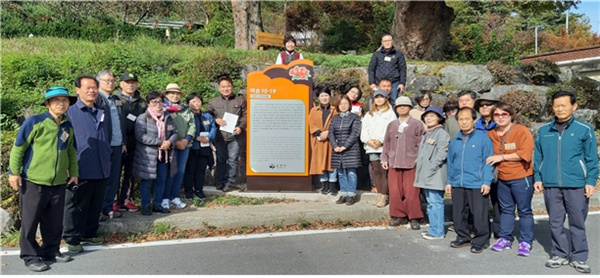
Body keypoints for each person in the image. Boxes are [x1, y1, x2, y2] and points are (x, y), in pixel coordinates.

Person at [8, 87, 78, 272]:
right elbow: (19, 148)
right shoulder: (35, 122)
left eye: (65, 100)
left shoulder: (67, 126)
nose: (61, 103)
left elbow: (71, 151)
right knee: (30, 221)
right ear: (47, 103)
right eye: (56, 100)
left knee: (54, 221)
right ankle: (30, 256)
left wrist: (74, 173)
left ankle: (51, 251)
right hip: (33, 181)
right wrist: (13, 172)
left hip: (59, 182)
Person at [534, 91, 598, 273]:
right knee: (555, 222)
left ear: (574, 106)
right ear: (552, 108)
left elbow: (592, 158)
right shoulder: (544, 131)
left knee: (577, 222)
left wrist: (591, 181)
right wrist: (538, 178)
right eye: (556, 105)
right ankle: (559, 254)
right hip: (551, 184)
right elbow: (538, 156)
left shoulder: (584, 129)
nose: (560, 109)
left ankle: (579, 257)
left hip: (577, 184)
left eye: (564, 105)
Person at [63, 76, 112, 253]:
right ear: (77, 90)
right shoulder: (70, 112)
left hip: (101, 163)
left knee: (95, 202)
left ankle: (89, 233)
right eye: (87, 87)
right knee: (76, 203)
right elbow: (63, 140)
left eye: (94, 87)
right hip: (80, 165)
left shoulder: (102, 111)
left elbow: (108, 135)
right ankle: (72, 237)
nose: (91, 91)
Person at [485, 102, 535, 256]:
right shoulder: (491, 134)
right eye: (496, 115)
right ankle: (505, 238)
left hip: (521, 177)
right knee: (506, 209)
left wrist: (501, 156)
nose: (500, 118)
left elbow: (524, 154)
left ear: (511, 115)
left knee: (524, 210)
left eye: (504, 114)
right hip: (502, 178)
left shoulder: (521, 131)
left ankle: (525, 241)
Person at [446, 107, 494, 254]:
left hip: (477, 182)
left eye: (467, 119)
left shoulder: (483, 139)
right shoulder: (454, 141)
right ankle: (463, 236)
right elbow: (450, 163)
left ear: (474, 120)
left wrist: (487, 181)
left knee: (479, 213)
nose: (464, 122)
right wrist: (449, 181)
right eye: (461, 119)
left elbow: (488, 162)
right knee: (458, 212)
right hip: (458, 183)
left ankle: (481, 240)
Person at [381, 96, 424, 230]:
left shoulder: (417, 124)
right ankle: (398, 216)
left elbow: (421, 144)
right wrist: (384, 158)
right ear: (396, 109)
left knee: (412, 192)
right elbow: (386, 143)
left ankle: (414, 217)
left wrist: (418, 160)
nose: (402, 108)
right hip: (394, 162)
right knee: (394, 191)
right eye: (399, 106)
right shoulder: (392, 124)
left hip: (411, 162)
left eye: (405, 105)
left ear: (410, 108)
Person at [133, 91, 179, 216]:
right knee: (147, 181)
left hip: (164, 155)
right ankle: (146, 206)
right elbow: (140, 136)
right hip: (148, 156)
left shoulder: (168, 117)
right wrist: (160, 142)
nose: (158, 104)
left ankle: (157, 204)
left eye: (160, 101)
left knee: (161, 180)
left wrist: (169, 142)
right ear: (148, 103)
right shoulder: (143, 118)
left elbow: (175, 133)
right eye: (154, 102)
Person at [414, 106, 450, 240]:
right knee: (431, 203)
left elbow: (442, 154)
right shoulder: (427, 133)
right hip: (426, 174)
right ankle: (433, 229)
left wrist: (431, 167)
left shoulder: (442, 134)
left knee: (435, 203)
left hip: (435, 174)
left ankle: (438, 232)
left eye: (432, 116)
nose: (428, 118)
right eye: (427, 116)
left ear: (439, 118)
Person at [206, 75, 247, 192]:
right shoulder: (214, 102)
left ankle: (230, 182)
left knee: (233, 159)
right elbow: (208, 116)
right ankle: (220, 182)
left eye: (228, 86)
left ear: (232, 87)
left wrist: (241, 127)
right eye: (223, 87)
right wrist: (215, 120)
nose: (226, 89)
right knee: (221, 160)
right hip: (220, 136)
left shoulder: (240, 100)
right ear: (219, 88)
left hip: (236, 136)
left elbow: (245, 116)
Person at [115, 72, 147, 212]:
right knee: (115, 173)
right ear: (121, 84)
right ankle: (113, 201)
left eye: (133, 82)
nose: (130, 85)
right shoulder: (114, 99)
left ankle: (126, 200)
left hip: (135, 142)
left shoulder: (141, 102)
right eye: (127, 82)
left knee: (130, 173)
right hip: (117, 142)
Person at [96, 70, 125, 221]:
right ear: (99, 82)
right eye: (106, 80)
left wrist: (124, 141)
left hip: (118, 144)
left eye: (112, 80)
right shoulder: (96, 98)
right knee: (102, 178)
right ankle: (99, 209)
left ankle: (108, 207)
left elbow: (121, 122)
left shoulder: (116, 99)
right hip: (103, 145)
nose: (110, 83)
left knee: (114, 178)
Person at [162, 83, 195, 210]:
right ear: (167, 95)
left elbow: (192, 125)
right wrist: (175, 142)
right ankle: (165, 197)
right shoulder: (163, 109)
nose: (175, 96)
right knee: (170, 172)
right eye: (172, 93)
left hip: (186, 145)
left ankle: (175, 196)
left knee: (180, 171)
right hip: (171, 145)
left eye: (177, 93)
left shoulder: (185, 109)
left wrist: (186, 140)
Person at [360, 90, 396, 207]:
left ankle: (385, 195)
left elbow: (391, 129)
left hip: (384, 146)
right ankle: (380, 193)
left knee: (384, 172)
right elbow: (364, 130)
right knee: (376, 172)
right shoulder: (369, 114)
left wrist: (380, 140)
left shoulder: (390, 113)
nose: (379, 99)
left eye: (381, 97)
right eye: (377, 97)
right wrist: (369, 141)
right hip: (371, 147)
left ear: (386, 98)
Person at [473, 92, 500, 239]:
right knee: (481, 202)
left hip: (498, 167)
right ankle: (482, 230)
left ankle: (499, 229)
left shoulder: (501, 124)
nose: (484, 107)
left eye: (488, 104)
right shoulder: (476, 125)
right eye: (481, 105)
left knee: (498, 200)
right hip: (479, 168)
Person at [329, 95, 362, 205]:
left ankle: (351, 195)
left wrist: (345, 146)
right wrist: (334, 146)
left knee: (351, 172)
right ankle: (343, 193)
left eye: (345, 103)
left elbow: (355, 133)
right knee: (341, 173)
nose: (343, 106)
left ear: (349, 105)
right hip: (337, 150)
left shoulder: (355, 117)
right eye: (341, 104)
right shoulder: (335, 118)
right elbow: (331, 133)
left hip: (351, 149)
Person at [183, 93, 216, 201]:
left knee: (201, 170)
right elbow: (183, 129)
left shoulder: (207, 115)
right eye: (193, 101)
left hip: (205, 146)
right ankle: (188, 191)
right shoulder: (186, 115)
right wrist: (195, 137)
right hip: (192, 146)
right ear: (188, 103)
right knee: (190, 170)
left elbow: (213, 127)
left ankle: (199, 190)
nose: (196, 103)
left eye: (198, 101)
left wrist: (209, 138)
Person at [308, 87, 339, 195]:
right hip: (319, 141)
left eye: (326, 95)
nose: (324, 98)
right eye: (322, 96)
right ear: (318, 98)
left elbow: (337, 124)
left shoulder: (335, 110)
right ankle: (324, 185)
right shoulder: (314, 110)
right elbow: (311, 124)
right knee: (320, 162)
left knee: (332, 163)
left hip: (332, 141)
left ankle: (333, 186)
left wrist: (328, 133)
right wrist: (319, 134)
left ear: (329, 96)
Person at [368, 34, 407, 101]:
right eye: (385, 41)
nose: (387, 43)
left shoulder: (399, 55)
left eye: (389, 40)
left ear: (392, 41)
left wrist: (402, 83)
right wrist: (372, 83)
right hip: (379, 82)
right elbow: (371, 69)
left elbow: (402, 69)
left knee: (393, 101)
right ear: (382, 43)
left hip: (394, 83)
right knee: (379, 101)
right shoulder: (376, 55)